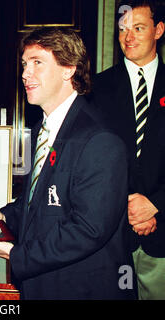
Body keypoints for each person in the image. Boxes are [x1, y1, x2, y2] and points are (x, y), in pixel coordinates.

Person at [0, 27, 137, 299]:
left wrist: (16, 254)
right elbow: (36, 204)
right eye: (24, 64)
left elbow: (88, 229)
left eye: (37, 63)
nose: (25, 73)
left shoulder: (100, 140)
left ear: (68, 69)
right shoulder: (41, 130)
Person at [90, 0, 165, 299]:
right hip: (109, 235)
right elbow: (89, 163)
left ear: (159, 30)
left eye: (138, 28)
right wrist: (127, 206)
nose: (128, 36)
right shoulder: (94, 90)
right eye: (122, 29)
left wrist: (155, 204)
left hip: (162, 238)